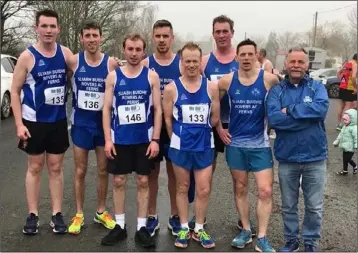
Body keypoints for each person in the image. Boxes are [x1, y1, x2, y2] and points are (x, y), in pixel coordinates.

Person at [10, 9, 73, 235]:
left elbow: (85, 69)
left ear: (58, 29)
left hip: (57, 121)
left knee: (56, 167)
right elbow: (15, 92)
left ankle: (57, 214)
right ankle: (33, 214)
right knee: (35, 167)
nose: (48, 30)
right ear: (36, 28)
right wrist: (19, 124)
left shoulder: (65, 53)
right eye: (44, 26)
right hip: (33, 122)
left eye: (52, 26)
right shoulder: (27, 57)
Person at [100, 33, 161, 248]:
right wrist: (108, 139)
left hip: (143, 140)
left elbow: (158, 109)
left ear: (143, 51)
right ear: (124, 49)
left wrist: (155, 139)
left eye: (138, 50)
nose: (134, 54)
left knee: (144, 181)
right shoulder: (113, 77)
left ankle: (142, 228)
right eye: (130, 49)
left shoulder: (151, 76)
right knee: (118, 181)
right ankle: (119, 226)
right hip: (120, 140)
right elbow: (106, 110)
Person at [217, 39, 279, 252]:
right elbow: (211, 100)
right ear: (236, 57)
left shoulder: (269, 80)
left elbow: (286, 93)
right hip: (235, 144)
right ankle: (245, 229)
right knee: (240, 188)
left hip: (260, 145)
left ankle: (261, 237)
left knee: (265, 190)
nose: (245, 58)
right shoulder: (226, 81)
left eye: (249, 54)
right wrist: (219, 128)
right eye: (242, 54)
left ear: (256, 56)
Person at [266, 47, 329, 252]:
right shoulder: (277, 91)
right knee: (288, 205)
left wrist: (291, 110)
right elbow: (275, 119)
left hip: (315, 157)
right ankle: (291, 240)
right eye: (292, 62)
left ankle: (310, 242)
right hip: (288, 157)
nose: (296, 66)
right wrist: (306, 119)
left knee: (314, 206)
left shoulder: (317, 87)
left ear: (307, 65)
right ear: (286, 64)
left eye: (300, 62)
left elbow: (320, 110)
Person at [163, 42, 219, 249]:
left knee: (203, 189)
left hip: (204, 145)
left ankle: (200, 228)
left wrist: (199, 129)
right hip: (180, 146)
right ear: (182, 62)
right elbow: (168, 120)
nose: (192, 65)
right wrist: (178, 137)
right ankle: (184, 227)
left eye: (195, 61)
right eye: (188, 61)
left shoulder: (211, 87)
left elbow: (214, 118)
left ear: (200, 62)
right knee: (182, 187)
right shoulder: (171, 89)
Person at [66, 20, 119, 234]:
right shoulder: (73, 61)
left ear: (101, 37)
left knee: (103, 169)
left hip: (102, 125)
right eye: (87, 35)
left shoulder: (111, 64)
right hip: (81, 124)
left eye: (94, 35)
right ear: (81, 38)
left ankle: (101, 211)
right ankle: (79, 214)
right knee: (80, 170)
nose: (91, 39)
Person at [141, 19, 181, 236]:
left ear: (172, 38)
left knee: (175, 174)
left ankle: (175, 216)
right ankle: (151, 215)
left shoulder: (182, 63)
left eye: (166, 36)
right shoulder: (146, 64)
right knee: (152, 174)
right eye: (158, 36)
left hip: (175, 127)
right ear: (153, 37)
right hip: (152, 128)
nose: (162, 40)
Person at [333, 108, 357, 175]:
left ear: (352, 119)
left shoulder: (354, 128)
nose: (344, 121)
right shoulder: (345, 126)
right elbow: (340, 135)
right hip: (345, 146)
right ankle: (345, 170)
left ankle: (355, 166)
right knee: (345, 159)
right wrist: (337, 141)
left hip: (350, 147)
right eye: (343, 120)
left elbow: (356, 137)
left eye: (346, 120)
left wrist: (356, 145)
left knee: (347, 159)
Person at [336, 53, 357, 130]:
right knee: (348, 106)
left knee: (341, 106)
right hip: (349, 87)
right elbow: (354, 76)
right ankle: (345, 124)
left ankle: (339, 124)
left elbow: (338, 72)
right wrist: (355, 87)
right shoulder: (355, 64)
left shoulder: (346, 64)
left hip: (342, 86)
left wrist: (341, 81)